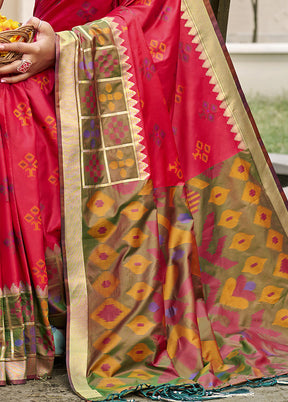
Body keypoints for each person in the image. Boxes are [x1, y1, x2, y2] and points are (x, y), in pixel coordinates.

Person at [1, 0, 288, 400]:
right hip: (43, 67)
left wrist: (66, 48)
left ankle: (50, 319)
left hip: (93, 83)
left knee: (7, 112)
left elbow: (166, 11)